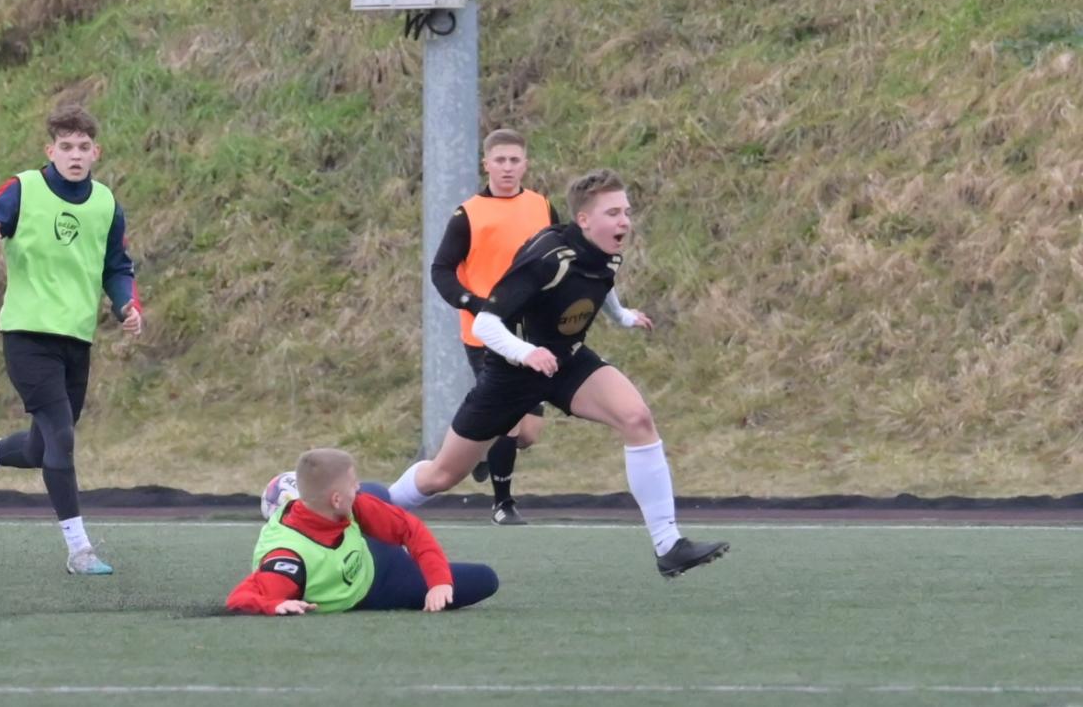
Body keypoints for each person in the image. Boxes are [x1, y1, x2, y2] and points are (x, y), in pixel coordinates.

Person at [391, 169, 729, 578]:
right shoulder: (547, 258)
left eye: (626, 211)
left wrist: (622, 316)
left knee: (637, 418)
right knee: (441, 475)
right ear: (583, 219)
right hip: (512, 374)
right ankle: (369, 511)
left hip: (566, 361)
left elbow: (601, 281)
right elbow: (486, 324)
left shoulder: (606, 249)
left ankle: (668, 544)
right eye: (613, 213)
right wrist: (527, 353)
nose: (624, 221)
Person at [0, 104, 142, 576]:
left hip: (76, 340)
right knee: (62, 438)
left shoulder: (106, 204)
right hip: (27, 336)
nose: (75, 155)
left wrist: (127, 306)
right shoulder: (23, 189)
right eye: (65, 146)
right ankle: (80, 550)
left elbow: (117, 267)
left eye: (83, 147)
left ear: (96, 152)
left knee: (42, 447)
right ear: (49, 150)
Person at [430, 128, 558, 526]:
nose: (507, 167)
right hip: (485, 333)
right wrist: (473, 303)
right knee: (510, 418)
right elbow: (441, 270)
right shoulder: (468, 214)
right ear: (486, 164)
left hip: (531, 330)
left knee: (528, 433)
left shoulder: (541, 206)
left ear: (525, 164)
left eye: (514, 160)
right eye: (499, 160)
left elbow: (558, 258)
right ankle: (503, 504)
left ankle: (480, 444)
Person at [226, 448, 499, 615]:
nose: (356, 488)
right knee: (485, 580)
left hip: (369, 548)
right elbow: (240, 599)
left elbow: (410, 528)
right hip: (378, 589)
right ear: (335, 499)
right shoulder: (289, 559)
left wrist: (439, 582)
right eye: (352, 484)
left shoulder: (349, 504)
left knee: (375, 491)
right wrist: (274, 605)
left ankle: (387, 512)